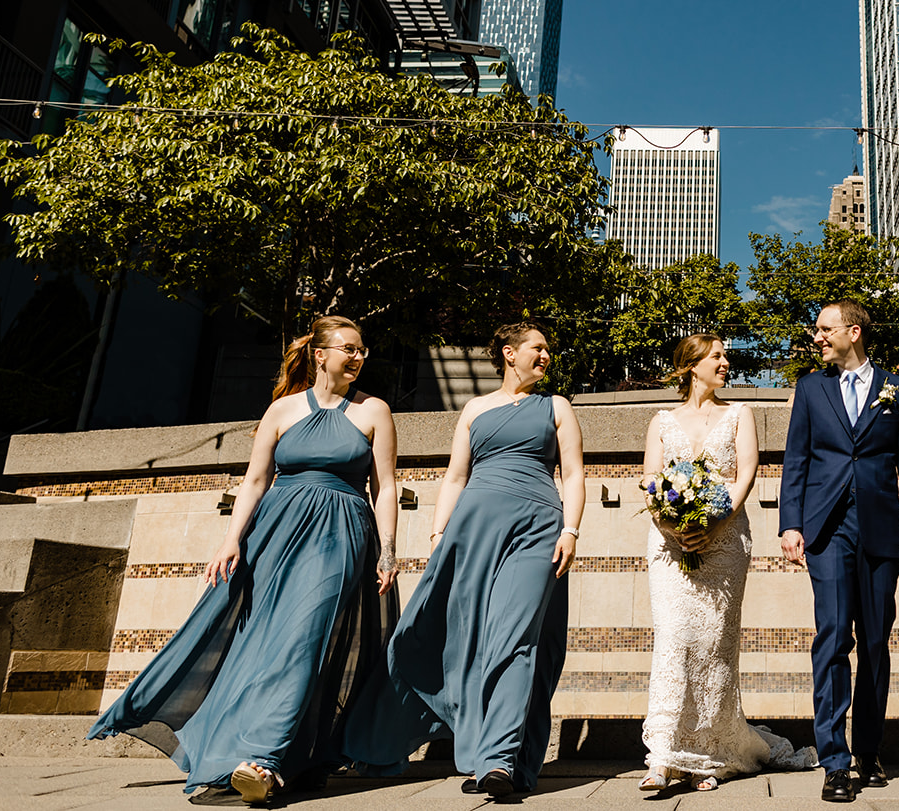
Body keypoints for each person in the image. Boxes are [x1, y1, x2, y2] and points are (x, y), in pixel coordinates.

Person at [89, 315, 399, 805]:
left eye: (363, 351)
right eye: (349, 349)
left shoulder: (374, 412)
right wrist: (231, 540)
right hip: (273, 535)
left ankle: (264, 760)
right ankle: (278, 756)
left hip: (339, 533)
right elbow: (255, 481)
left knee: (304, 639)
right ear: (321, 355)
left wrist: (388, 548)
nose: (359, 358)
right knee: (263, 644)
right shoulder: (280, 411)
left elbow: (384, 488)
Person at [342, 322, 585, 798]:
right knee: (455, 639)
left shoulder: (556, 407)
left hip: (537, 529)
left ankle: (498, 761)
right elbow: (455, 477)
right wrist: (438, 533)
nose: (547, 356)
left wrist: (571, 530)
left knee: (514, 639)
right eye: (538, 348)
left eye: (548, 350)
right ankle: (446, 744)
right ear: (509, 353)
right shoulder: (475, 408)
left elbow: (574, 474)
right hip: (471, 530)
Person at [639, 334, 818, 792]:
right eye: (716, 356)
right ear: (690, 366)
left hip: (725, 542)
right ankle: (663, 757)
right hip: (669, 544)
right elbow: (651, 482)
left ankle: (711, 755)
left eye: (724, 356)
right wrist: (676, 529)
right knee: (674, 642)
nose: (725, 363)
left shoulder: (740, 414)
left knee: (714, 648)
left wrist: (715, 521)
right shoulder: (661, 421)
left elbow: (745, 474)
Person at [778, 299, 899, 803]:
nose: (817, 336)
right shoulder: (810, 388)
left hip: (883, 529)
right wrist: (791, 524)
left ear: (854, 331)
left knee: (875, 643)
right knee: (832, 636)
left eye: (825, 328)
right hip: (827, 529)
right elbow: (797, 459)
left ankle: (868, 748)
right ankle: (835, 760)